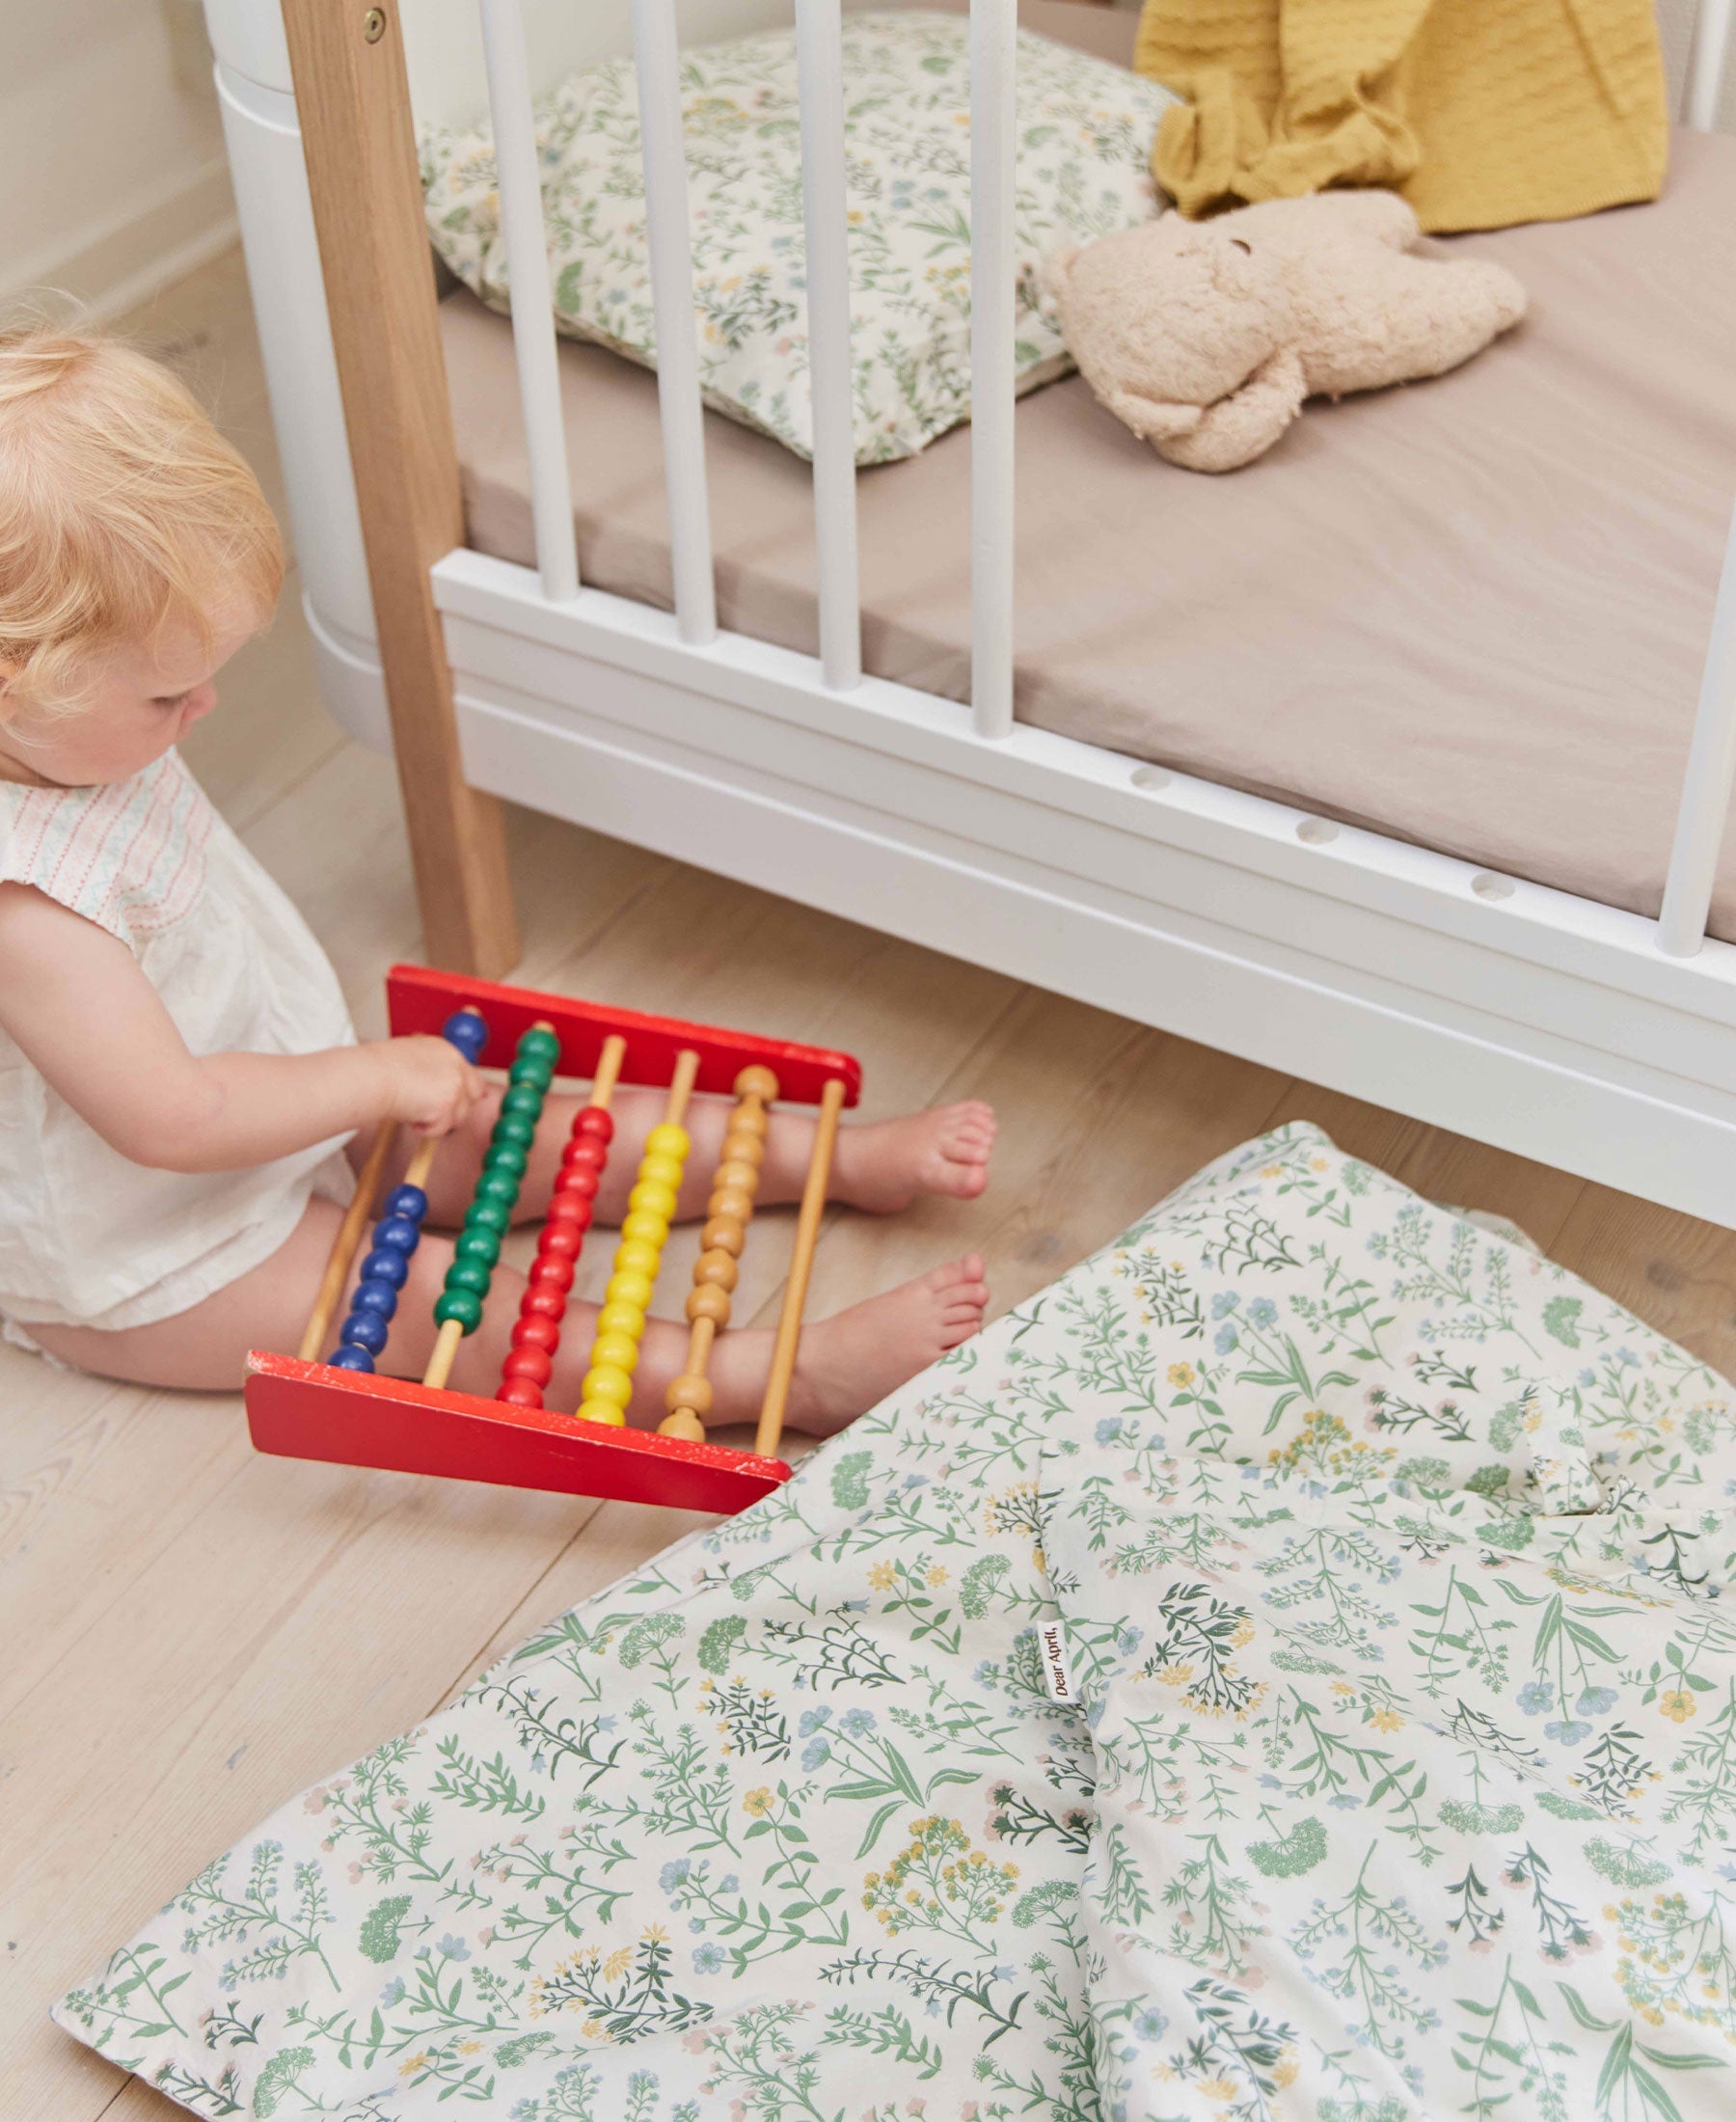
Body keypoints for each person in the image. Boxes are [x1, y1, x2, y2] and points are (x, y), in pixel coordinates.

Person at [0, 329, 993, 1430]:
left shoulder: (59, 732)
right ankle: (776, 1376)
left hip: (277, 1115)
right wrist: (373, 1074)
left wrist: (363, 1086)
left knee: (510, 1128)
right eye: (165, 697)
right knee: (431, 1301)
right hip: (162, 1251)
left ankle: (834, 1159)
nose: (205, 709)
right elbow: (177, 1121)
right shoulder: (26, 914)